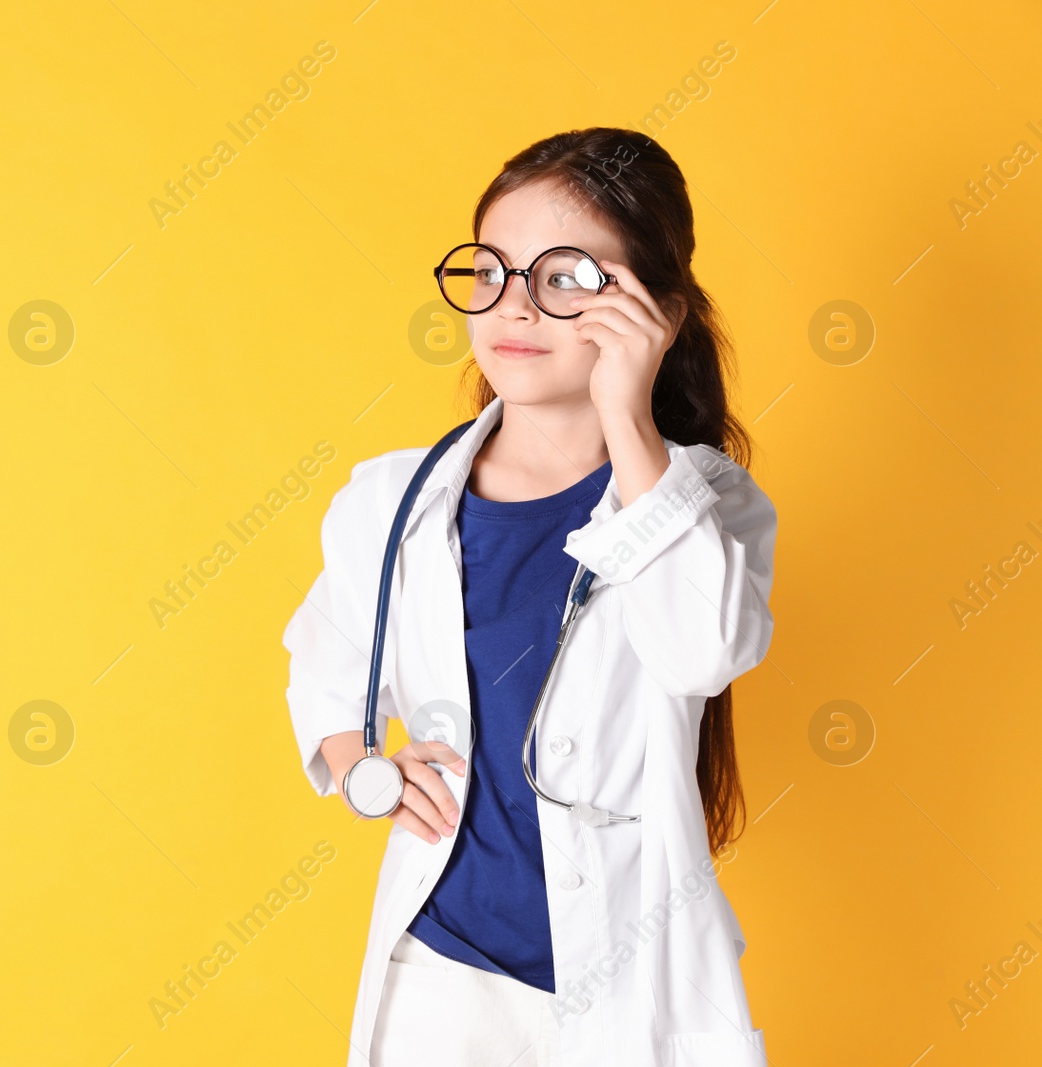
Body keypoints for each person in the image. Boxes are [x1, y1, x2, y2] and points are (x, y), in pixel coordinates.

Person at [282, 127, 777, 1067]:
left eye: (566, 277)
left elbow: (701, 652)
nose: (515, 306)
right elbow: (325, 659)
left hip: (638, 982)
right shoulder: (391, 498)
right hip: (445, 979)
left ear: (657, 313)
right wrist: (362, 767)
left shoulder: (707, 505)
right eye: (494, 271)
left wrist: (630, 422)